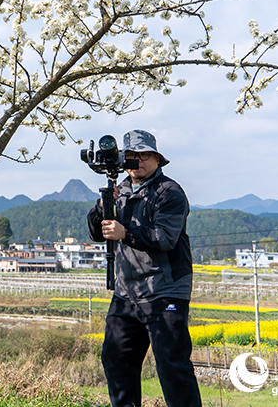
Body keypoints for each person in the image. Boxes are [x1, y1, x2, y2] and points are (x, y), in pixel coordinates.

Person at [87, 129, 202, 407]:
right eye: (131, 155)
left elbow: (164, 237)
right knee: (116, 357)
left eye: (144, 155)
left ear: (157, 159)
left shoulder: (169, 192)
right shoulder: (120, 190)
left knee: (171, 364)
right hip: (127, 292)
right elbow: (96, 232)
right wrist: (104, 205)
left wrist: (125, 232)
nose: (138, 161)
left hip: (165, 290)